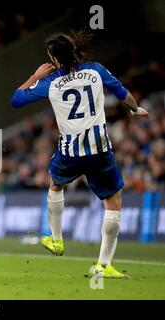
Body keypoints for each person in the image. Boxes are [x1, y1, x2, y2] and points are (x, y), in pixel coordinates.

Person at [11, 31, 148, 278]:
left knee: (55, 185)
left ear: (53, 58)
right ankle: (104, 266)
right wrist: (135, 109)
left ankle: (56, 239)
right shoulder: (95, 70)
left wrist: (34, 76)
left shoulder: (49, 82)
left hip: (70, 152)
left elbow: (16, 100)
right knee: (113, 202)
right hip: (100, 149)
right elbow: (123, 94)